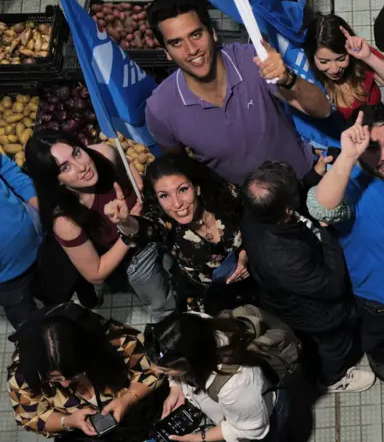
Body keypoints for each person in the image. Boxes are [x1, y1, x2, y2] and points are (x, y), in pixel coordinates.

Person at [145, 0, 332, 186]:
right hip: (245, 208)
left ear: (213, 33)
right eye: (176, 43)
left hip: (301, 182)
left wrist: (287, 78)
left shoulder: (253, 61)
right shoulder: (160, 109)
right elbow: (180, 170)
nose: (192, 50)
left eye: (196, 34)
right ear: (166, 52)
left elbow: (323, 109)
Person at [142, 310, 309, 442]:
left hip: (264, 418)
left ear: (193, 362)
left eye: (167, 371)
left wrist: (196, 438)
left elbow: (253, 429)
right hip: (255, 403)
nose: (158, 373)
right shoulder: (190, 327)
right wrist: (176, 388)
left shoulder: (236, 384)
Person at [310, 105, 384, 383]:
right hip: (378, 297)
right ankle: (375, 349)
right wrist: (347, 158)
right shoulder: (346, 183)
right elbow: (321, 209)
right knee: (377, 330)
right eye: (373, 148)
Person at [240, 161, 374, 393]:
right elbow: (332, 285)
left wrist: (315, 173)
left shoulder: (257, 210)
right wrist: (326, 227)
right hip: (316, 315)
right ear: (286, 211)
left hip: (287, 294)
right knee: (334, 346)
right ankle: (333, 378)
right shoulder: (282, 258)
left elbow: (295, 193)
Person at [24, 131, 175, 322]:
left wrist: (138, 186)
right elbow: (95, 273)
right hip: (136, 258)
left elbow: (126, 161)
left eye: (77, 153)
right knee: (161, 303)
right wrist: (128, 228)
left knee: (175, 272)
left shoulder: (104, 153)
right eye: (65, 167)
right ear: (56, 180)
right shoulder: (65, 221)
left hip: (156, 231)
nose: (81, 167)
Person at [8, 304, 168, 442]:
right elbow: (31, 417)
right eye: (53, 378)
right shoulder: (22, 375)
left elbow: (153, 368)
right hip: (96, 433)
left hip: (141, 408)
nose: (65, 384)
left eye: (76, 374)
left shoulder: (117, 339)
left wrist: (128, 398)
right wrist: (68, 421)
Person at [110, 153, 253, 314]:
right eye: (164, 195)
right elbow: (144, 228)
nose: (177, 203)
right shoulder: (166, 225)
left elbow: (252, 227)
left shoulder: (226, 197)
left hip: (251, 278)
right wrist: (125, 221)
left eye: (183, 189)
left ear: (197, 187)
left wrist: (243, 256)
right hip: (209, 295)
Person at [305, 13, 384, 121]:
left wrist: (369, 57)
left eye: (341, 59)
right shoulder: (308, 79)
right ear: (312, 57)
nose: (334, 69)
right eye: (324, 62)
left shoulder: (360, 57)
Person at [0, 152, 44, 329]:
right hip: (6, 280)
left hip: (35, 239)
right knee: (29, 329)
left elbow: (6, 167)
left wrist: (31, 195)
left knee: (55, 294)